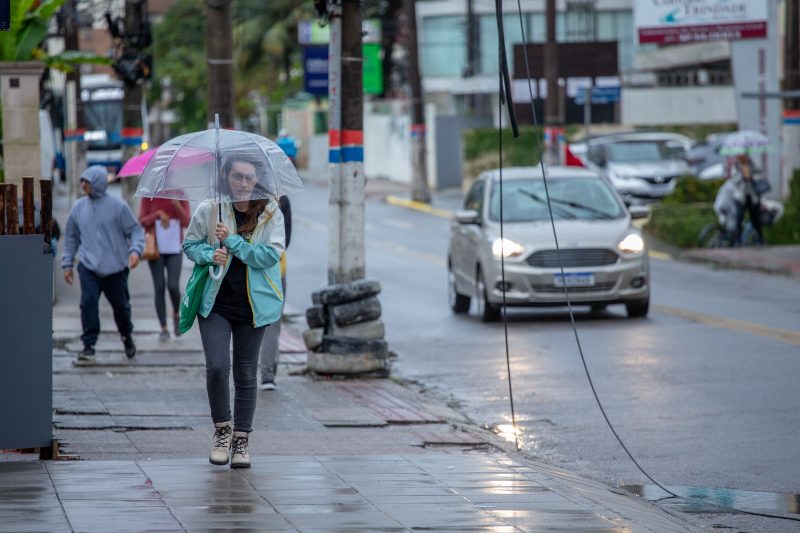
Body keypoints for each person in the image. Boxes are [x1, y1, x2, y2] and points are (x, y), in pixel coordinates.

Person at [182, 155, 285, 468]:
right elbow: (190, 245)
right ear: (226, 177)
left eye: (249, 178)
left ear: (257, 180)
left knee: (245, 372)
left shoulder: (270, 213)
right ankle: (222, 431)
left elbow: (270, 255)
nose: (243, 184)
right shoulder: (210, 209)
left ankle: (241, 440)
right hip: (215, 302)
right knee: (216, 366)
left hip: (254, 306)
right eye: (237, 177)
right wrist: (211, 253)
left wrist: (235, 243)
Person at [61, 165, 145, 361]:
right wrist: (67, 264)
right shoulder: (78, 208)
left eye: (87, 182)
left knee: (121, 307)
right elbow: (71, 238)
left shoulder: (119, 206)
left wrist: (135, 251)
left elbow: (135, 231)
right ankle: (88, 344)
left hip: (116, 267)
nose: (83, 185)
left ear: (98, 183)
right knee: (88, 303)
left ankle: (127, 337)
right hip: (88, 266)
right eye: (82, 181)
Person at [138, 197, 191, 341]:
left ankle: (176, 314)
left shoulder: (180, 195)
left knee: (173, 285)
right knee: (159, 286)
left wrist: (176, 205)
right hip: (155, 248)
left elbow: (188, 222)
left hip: (175, 247)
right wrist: (158, 214)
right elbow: (141, 221)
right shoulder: (149, 195)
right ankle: (164, 328)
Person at [258, 195, 291, 390]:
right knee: (272, 322)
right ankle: (267, 374)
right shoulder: (282, 198)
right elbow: (286, 238)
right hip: (276, 269)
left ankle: (261, 370)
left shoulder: (238, 197)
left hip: (255, 268)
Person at [729, 154, 767, 245]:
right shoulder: (736, 166)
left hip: (752, 196)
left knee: (755, 218)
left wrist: (752, 177)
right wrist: (742, 176)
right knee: (739, 218)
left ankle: (760, 239)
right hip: (740, 196)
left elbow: (761, 175)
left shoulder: (753, 164)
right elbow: (734, 180)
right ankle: (738, 240)